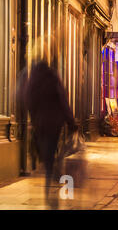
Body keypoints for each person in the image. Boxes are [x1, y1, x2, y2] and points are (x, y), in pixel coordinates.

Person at [25, 58, 77, 208]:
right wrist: (71, 123)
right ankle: (54, 185)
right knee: (52, 158)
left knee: (47, 159)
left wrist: (34, 119)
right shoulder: (52, 76)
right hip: (54, 126)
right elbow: (63, 101)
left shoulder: (33, 78)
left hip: (39, 125)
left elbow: (27, 100)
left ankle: (50, 189)